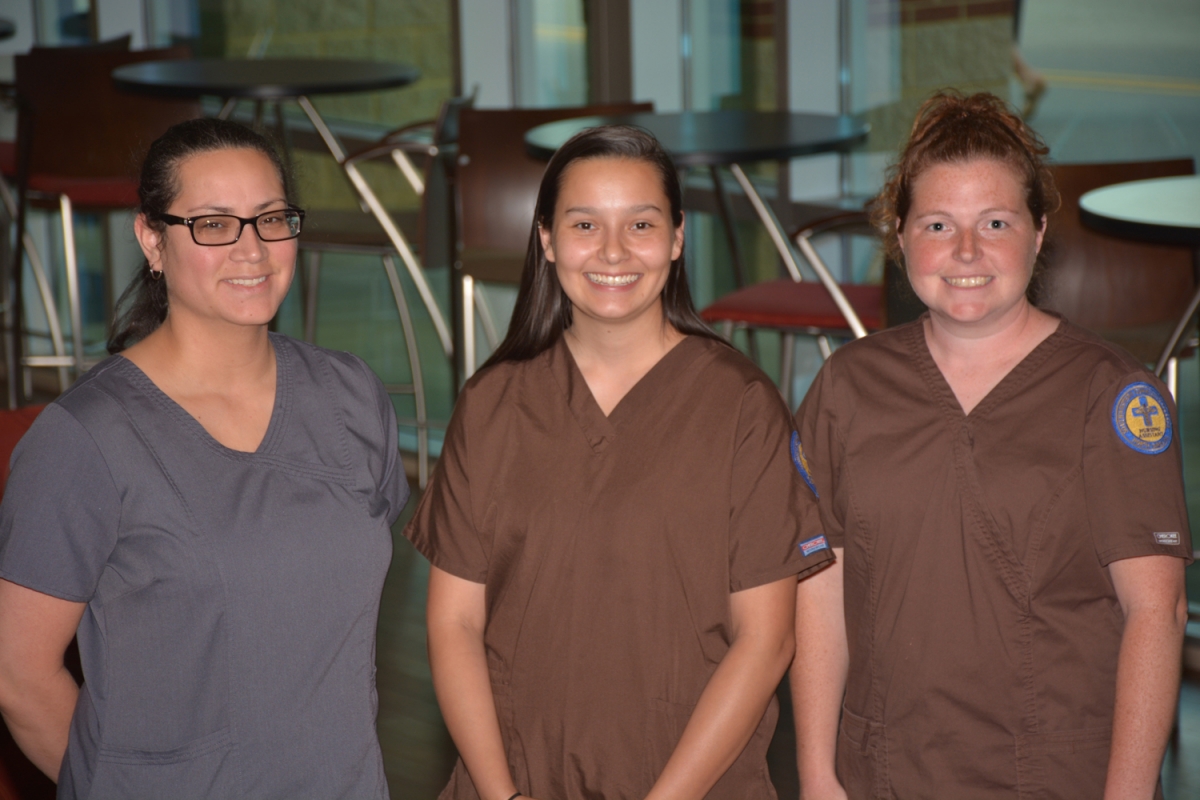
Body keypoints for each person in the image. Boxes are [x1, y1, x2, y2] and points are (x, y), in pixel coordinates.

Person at [404, 125, 833, 799]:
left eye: (640, 224)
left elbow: (767, 640)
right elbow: (453, 623)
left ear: (678, 238)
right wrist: (501, 794)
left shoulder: (742, 405)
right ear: (545, 239)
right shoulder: (492, 405)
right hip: (513, 782)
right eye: (584, 224)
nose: (612, 251)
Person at [791, 90, 1191, 800]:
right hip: (881, 772)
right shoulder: (847, 387)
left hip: (1057, 777)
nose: (966, 251)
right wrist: (818, 773)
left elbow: (1154, 614)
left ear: (1039, 233)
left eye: (996, 222)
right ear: (901, 235)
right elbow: (820, 589)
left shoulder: (1111, 397)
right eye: (938, 224)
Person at [0, 118, 409, 798]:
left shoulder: (352, 395)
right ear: (152, 240)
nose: (252, 248)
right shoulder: (85, 438)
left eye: (271, 218)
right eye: (213, 224)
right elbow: (18, 678)